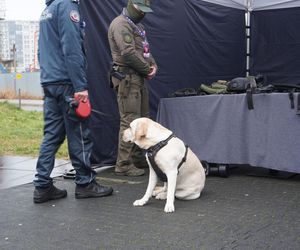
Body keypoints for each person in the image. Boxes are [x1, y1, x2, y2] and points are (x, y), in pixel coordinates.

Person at [33, 0, 113, 203]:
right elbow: (72, 48)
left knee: (51, 135)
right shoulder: (67, 7)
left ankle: (42, 186)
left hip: (50, 81)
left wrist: (47, 78)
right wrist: (80, 87)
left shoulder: (47, 10)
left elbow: (41, 51)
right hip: (68, 84)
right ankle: (85, 183)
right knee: (79, 134)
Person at [108, 0, 158, 176]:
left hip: (138, 78)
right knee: (130, 120)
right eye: (140, 9)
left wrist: (153, 65)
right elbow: (128, 53)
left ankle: (137, 158)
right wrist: (147, 69)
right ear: (131, 5)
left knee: (143, 120)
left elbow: (144, 50)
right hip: (127, 78)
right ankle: (123, 164)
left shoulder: (137, 26)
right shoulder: (121, 24)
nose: (143, 13)